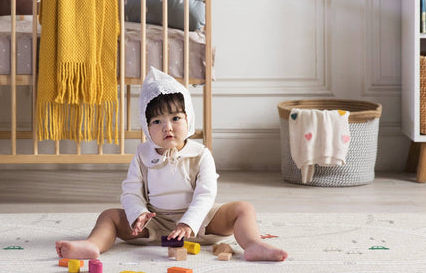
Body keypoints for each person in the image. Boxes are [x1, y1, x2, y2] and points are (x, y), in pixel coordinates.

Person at [56, 67, 287, 262]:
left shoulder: (201, 154)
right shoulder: (142, 155)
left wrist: (189, 222)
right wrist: (138, 214)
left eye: (175, 118)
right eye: (157, 121)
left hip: (201, 221)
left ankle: (253, 244)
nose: (167, 127)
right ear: (147, 127)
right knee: (109, 216)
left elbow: (205, 194)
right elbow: (131, 191)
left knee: (243, 209)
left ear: (189, 119)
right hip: (154, 222)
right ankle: (93, 245)